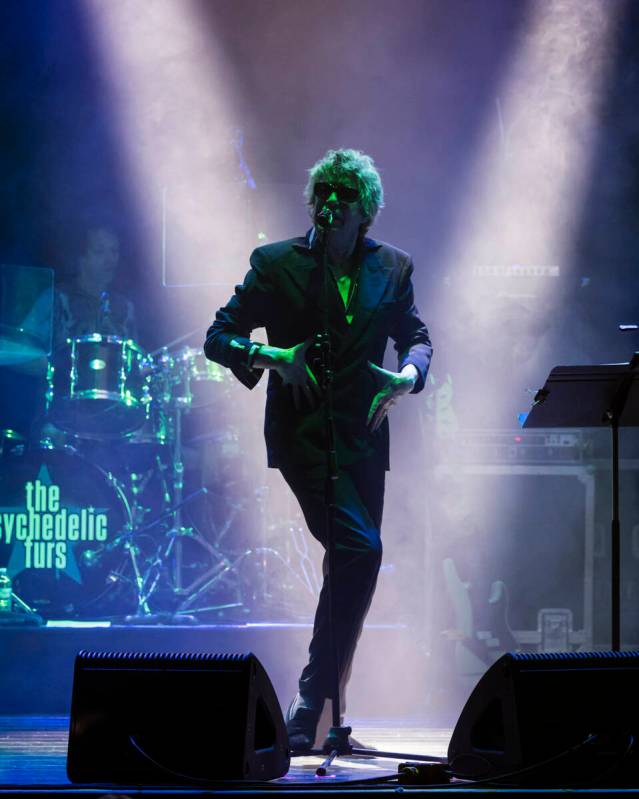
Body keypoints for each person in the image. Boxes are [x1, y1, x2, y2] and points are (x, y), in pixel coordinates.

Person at [204, 149, 432, 751]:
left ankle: (324, 718)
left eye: (344, 195)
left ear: (367, 210)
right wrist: (273, 357)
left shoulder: (395, 266)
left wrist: (408, 374)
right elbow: (217, 335)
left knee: (352, 567)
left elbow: (417, 337)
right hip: (303, 437)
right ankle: (310, 706)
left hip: (364, 437)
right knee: (362, 549)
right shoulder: (277, 263)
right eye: (323, 192)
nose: (330, 202)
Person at [54, 225, 136, 344]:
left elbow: (133, 357)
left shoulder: (125, 307)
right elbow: (28, 346)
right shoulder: (57, 299)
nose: (110, 259)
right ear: (81, 259)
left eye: (114, 251)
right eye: (99, 251)